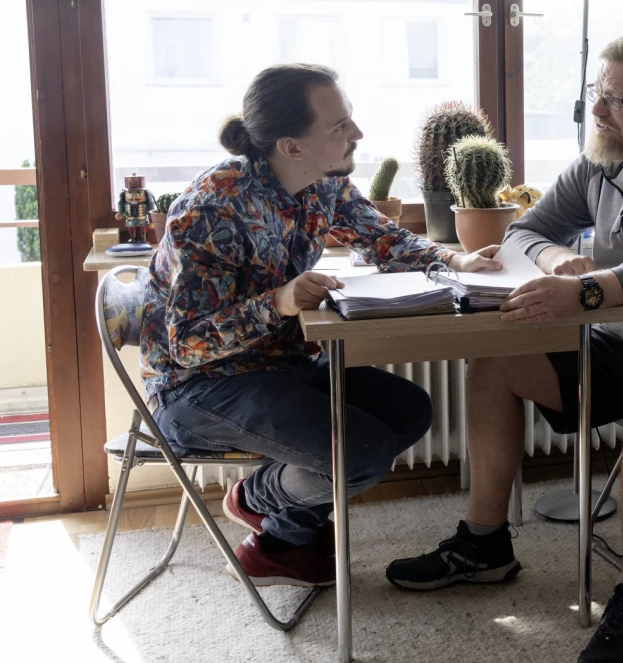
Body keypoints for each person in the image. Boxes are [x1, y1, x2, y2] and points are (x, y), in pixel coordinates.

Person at [386, 34, 623, 662]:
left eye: (615, 99)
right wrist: (561, 255)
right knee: (496, 357)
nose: (598, 111)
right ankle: (484, 544)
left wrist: (584, 294)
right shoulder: (602, 161)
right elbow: (527, 227)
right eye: (596, 93)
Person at [140, 63, 500, 588]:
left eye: (349, 119)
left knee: (411, 409)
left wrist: (453, 263)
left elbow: (379, 235)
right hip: (197, 389)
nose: (356, 134)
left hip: (279, 366)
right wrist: (279, 301)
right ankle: (262, 503)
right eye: (339, 127)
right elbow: (189, 344)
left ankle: (279, 540)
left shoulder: (324, 184)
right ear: (290, 146)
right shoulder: (211, 210)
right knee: (359, 452)